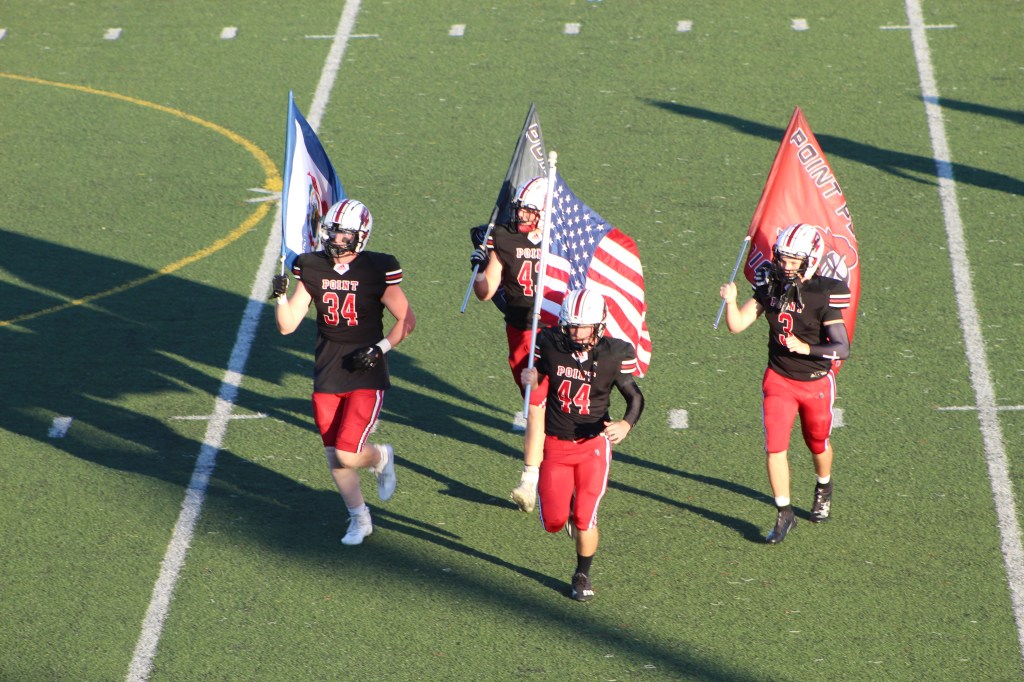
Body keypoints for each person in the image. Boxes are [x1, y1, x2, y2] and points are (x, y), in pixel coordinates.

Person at [271, 198, 416, 546]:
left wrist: (379, 349)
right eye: (332, 232)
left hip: (366, 368)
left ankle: (381, 456)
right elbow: (287, 326)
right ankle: (359, 518)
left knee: (348, 453)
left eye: (343, 234)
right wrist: (280, 297)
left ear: (361, 236)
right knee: (333, 453)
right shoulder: (312, 267)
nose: (335, 240)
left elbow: (407, 320)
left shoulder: (377, 269)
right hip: (328, 366)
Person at [718, 222, 851, 544]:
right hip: (778, 379)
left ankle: (824, 485)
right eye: (784, 258)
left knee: (817, 442)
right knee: (775, 447)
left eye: (795, 260)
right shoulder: (770, 283)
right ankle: (784, 513)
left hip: (815, 381)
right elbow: (737, 326)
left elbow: (842, 347)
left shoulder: (824, 292)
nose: (786, 266)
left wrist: (806, 348)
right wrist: (731, 301)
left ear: (811, 260)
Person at [521, 289, 644, 601]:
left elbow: (635, 396)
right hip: (556, 444)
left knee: (585, 517)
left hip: (593, 445)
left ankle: (582, 574)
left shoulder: (615, 353)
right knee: (553, 521)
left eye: (582, 326)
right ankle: (567, 509)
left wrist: (625, 424)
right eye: (571, 325)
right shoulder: (549, 343)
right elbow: (537, 381)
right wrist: (531, 377)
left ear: (599, 325)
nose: (575, 332)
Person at [470, 176, 549, 513]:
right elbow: (487, 292)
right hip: (519, 330)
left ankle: (532, 479)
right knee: (537, 407)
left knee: (538, 404)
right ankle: (545, 478)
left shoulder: (562, 241)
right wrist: (477, 271)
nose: (521, 217)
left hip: (554, 332)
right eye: (521, 210)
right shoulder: (505, 239)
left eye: (530, 212)